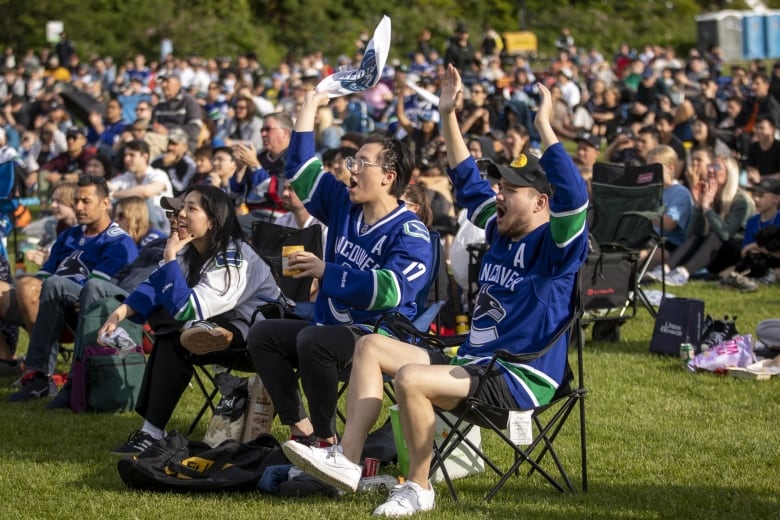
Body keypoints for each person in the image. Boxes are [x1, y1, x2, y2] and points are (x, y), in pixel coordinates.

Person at [281, 66, 589, 517]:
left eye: (510, 189)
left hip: (519, 378)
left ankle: (419, 488)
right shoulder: (500, 231)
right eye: (499, 186)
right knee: (369, 347)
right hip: (474, 363)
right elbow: (467, 180)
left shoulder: (557, 250)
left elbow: (576, 197)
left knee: (410, 378)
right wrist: (448, 115)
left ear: (541, 203)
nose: (498, 194)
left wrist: (544, 126)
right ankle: (346, 461)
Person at [247, 87, 434, 449]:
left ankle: (326, 439)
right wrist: (310, 105)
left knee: (312, 339)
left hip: (381, 335)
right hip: (333, 326)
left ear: (388, 176)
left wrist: (325, 272)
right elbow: (300, 170)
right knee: (263, 334)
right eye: (352, 162)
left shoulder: (411, 231)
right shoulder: (345, 205)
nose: (351, 169)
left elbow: (390, 290)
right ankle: (300, 427)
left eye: (361, 163)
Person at [99, 185, 280, 455]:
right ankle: (152, 430)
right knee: (176, 334)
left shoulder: (235, 256)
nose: (179, 214)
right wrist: (117, 316)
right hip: (218, 327)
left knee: (179, 330)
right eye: (180, 208)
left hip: (260, 338)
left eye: (190, 208)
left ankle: (152, 431)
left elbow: (189, 309)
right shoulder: (190, 250)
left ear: (213, 221)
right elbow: (152, 288)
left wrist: (169, 257)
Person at [6, 175, 138, 401]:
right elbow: (43, 274)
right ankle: (7, 361)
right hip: (50, 298)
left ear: (105, 203)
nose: (78, 207)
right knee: (15, 288)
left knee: (48, 285)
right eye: (76, 200)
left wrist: (31, 287)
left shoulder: (118, 241)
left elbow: (95, 289)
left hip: (86, 307)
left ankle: (42, 376)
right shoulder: (69, 234)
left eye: (85, 201)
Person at [658, 156, 755, 286]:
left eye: (716, 167)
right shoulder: (711, 196)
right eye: (709, 166)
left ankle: (683, 273)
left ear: (729, 174)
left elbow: (725, 234)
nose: (710, 170)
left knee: (715, 234)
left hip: (737, 254)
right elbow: (691, 235)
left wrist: (707, 208)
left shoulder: (741, 201)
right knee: (700, 235)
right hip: (712, 255)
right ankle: (665, 270)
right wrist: (698, 206)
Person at [229, 112, 293, 223]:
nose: (263, 134)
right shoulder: (260, 157)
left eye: (268, 129)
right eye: (262, 130)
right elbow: (237, 194)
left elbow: (278, 193)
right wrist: (240, 170)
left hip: (277, 216)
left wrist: (254, 165)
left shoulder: (295, 159)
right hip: (249, 213)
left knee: (228, 226)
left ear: (285, 133)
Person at [110, 139, 174, 231]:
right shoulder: (128, 176)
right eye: (125, 155)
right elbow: (108, 186)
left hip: (162, 225)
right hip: (138, 223)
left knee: (145, 202)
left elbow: (146, 193)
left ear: (144, 157)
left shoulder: (158, 174)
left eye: (131, 155)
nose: (126, 159)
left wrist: (113, 194)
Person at [150, 72, 203, 152]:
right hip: (160, 141)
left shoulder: (189, 101)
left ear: (178, 84)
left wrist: (169, 132)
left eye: (167, 82)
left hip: (183, 143)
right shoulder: (159, 105)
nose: (163, 85)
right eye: (162, 82)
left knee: (149, 139)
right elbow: (151, 126)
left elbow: (195, 129)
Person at [150, 128, 197, 196]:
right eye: (169, 143)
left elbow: (180, 189)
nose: (170, 147)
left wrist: (170, 167)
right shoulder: (159, 158)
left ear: (185, 147)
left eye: (174, 144)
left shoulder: (189, 165)